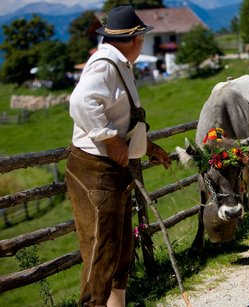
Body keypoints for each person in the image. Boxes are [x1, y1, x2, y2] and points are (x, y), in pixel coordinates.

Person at [65, 5, 171, 307]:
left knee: (121, 251)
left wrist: (148, 148)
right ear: (137, 39)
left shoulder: (119, 64)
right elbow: (81, 102)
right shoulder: (105, 65)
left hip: (111, 170)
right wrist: (110, 141)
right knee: (102, 252)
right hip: (96, 170)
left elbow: (121, 118)